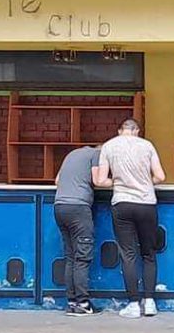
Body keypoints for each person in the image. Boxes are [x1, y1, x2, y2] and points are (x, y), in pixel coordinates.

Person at [94, 118, 166, 319]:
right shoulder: (147, 145)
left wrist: (119, 182)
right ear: (137, 131)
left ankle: (133, 304)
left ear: (120, 130)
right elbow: (160, 176)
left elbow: (100, 180)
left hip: (122, 203)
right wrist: (143, 182)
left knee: (128, 254)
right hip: (146, 203)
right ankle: (150, 302)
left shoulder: (108, 146)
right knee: (149, 254)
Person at [54, 145, 103, 316]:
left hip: (59, 206)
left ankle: (72, 302)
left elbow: (57, 181)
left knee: (70, 257)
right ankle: (83, 303)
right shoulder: (98, 154)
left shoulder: (73, 154)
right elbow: (98, 180)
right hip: (78, 208)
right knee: (82, 257)